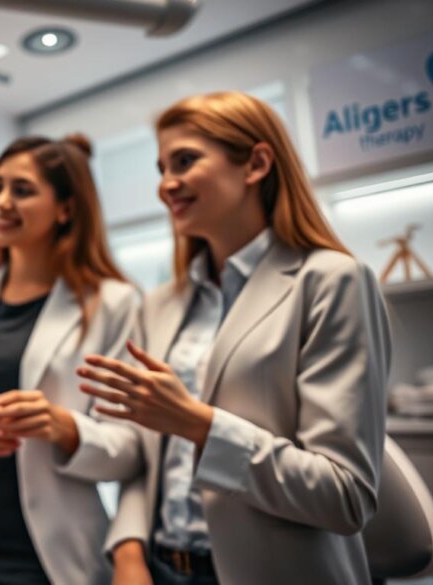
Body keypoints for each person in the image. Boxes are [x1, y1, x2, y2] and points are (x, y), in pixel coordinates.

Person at [77, 91, 392, 585]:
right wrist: (129, 549)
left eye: (185, 161)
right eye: (161, 167)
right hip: (161, 569)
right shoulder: (161, 304)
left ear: (257, 164)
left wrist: (200, 425)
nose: (166, 184)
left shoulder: (331, 281)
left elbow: (345, 495)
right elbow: (147, 458)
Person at [0, 134, 144, 585]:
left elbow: (131, 450)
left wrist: (64, 427)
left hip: (51, 560)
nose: (1, 201)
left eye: (22, 190)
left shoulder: (115, 304)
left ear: (66, 208)